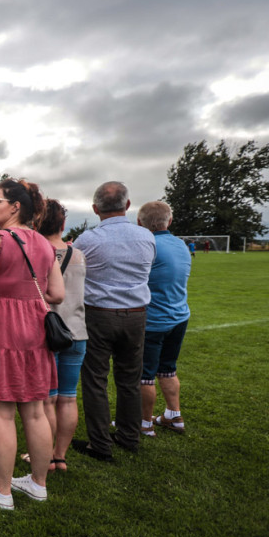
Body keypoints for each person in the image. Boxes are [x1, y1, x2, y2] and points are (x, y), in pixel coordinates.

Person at [0, 179, 64, 511]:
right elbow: (57, 294)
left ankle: (3, 490)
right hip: (35, 327)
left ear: (15, 207)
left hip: (2, 327)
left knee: (3, 415)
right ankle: (38, 484)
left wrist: (4, 290)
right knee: (35, 411)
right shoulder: (43, 243)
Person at [71, 181, 156, 462]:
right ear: (128, 205)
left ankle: (100, 444)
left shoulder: (88, 240)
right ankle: (129, 437)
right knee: (129, 379)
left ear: (95, 209)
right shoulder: (146, 237)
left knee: (95, 379)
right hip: (136, 314)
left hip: (99, 314)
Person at [33, 199, 87, 471]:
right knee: (68, 397)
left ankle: (42, 454)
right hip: (77, 333)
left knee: (47, 398)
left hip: (47, 334)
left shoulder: (36, 254)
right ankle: (59, 456)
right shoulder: (79, 255)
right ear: (63, 224)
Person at [137, 201, 192, 436]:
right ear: (169, 221)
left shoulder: (148, 245)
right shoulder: (181, 245)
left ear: (140, 223)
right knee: (168, 369)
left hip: (154, 321)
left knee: (144, 376)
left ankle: (143, 423)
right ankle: (173, 415)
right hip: (179, 316)